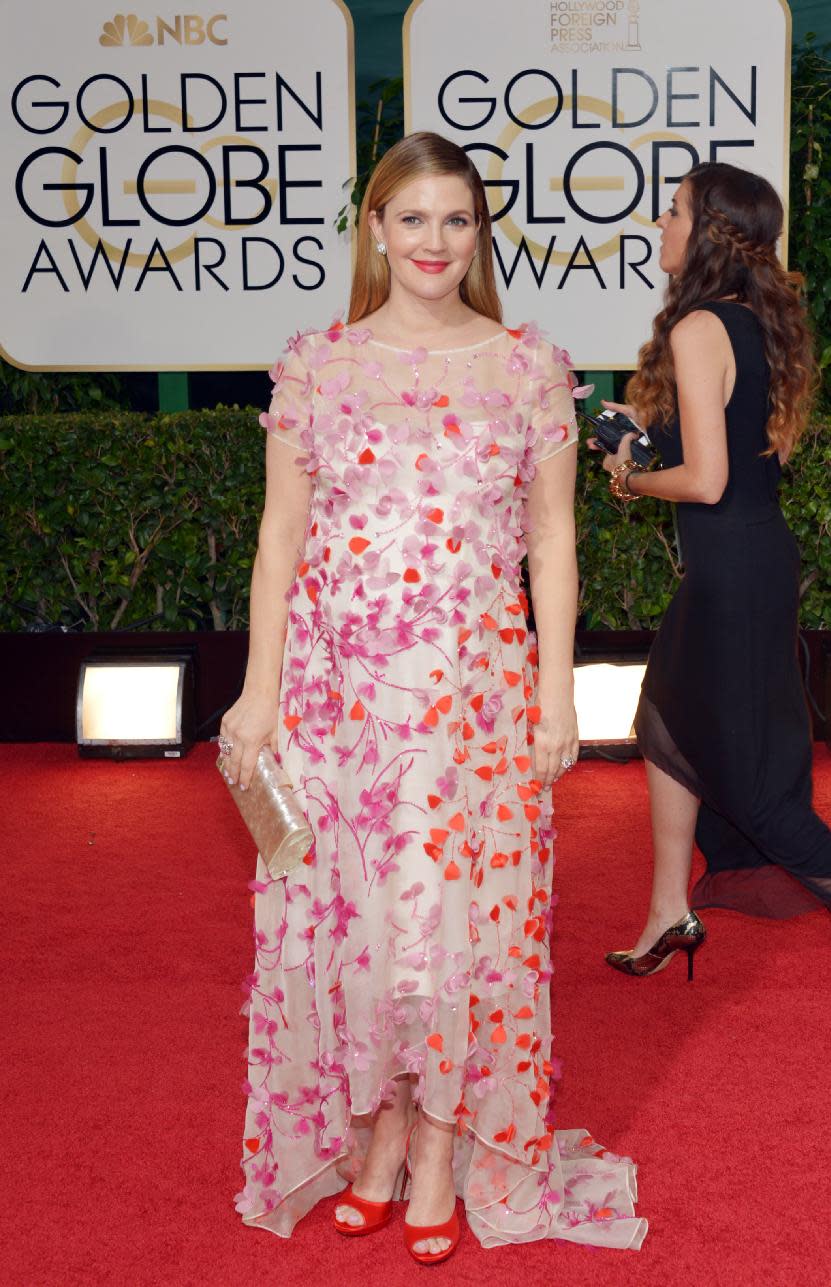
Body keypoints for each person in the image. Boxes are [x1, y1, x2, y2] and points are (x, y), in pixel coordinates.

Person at [221, 131, 647, 1260]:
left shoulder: (526, 366)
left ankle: (440, 1150)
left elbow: (553, 542)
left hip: (476, 697)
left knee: (455, 933)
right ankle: (379, 1138)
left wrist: (558, 692)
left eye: (456, 220)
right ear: (374, 226)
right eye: (413, 218)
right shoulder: (317, 363)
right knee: (359, 925)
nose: (434, 242)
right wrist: (259, 696)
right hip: (341, 696)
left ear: (479, 234)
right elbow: (279, 541)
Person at [598, 161, 831, 979]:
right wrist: (647, 432)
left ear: (705, 234)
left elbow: (706, 480)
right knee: (665, 720)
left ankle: (675, 908)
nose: (658, 225)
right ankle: (669, 911)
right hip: (752, 560)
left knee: (757, 783)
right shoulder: (753, 321)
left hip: (730, 569)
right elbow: (739, 450)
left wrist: (629, 475)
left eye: (671, 212)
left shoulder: (697, 328)